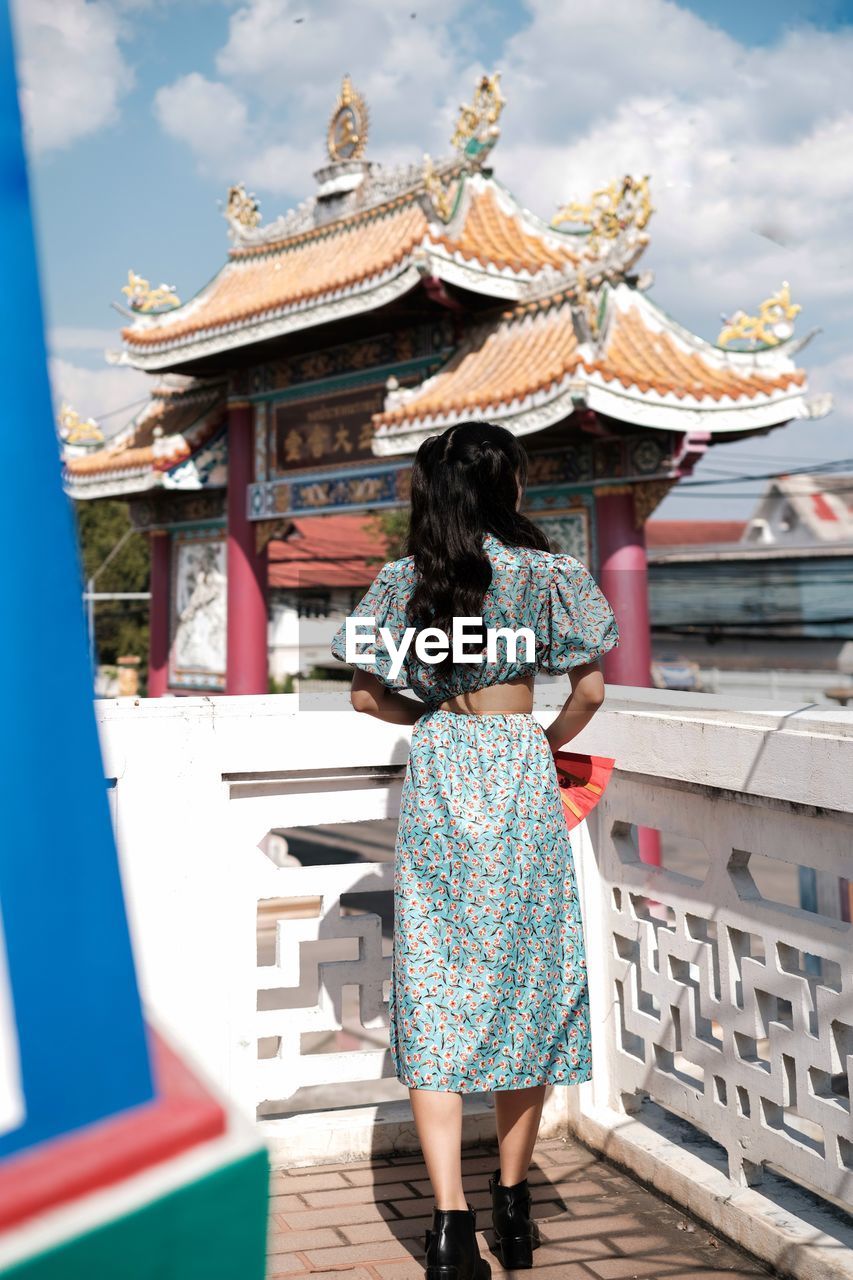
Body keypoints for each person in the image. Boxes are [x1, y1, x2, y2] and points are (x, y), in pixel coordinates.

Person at [330, 421, 619, 1279]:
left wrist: (428, 716)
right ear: (505, 486)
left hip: (443, 780)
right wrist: (541, 743)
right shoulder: (547, 573)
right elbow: (591, 691)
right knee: (526, 981)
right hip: (518, 771)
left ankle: (450, 1227)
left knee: (437, 987)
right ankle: (515, 1205)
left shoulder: (401, 581)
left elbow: (362, 697)